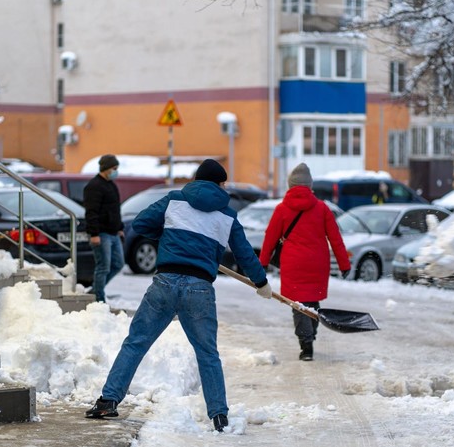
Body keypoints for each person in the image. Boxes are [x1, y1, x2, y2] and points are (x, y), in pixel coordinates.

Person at [85, 159, 272, 432]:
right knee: (207, 353)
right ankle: (219, 417)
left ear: (196, 180)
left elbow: (140, 223)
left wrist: (167, 235)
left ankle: (108, 401)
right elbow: (244, 253)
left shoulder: (174, 199)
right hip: (199, 288)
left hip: (165, 282)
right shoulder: (228, 216)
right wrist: (261, 282)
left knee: (136, 342)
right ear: (220, 184)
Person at [259, 163, 351, 361]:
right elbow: (335, 238)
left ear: (290, 185)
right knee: (312, 301)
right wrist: (344, 265)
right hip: (318, 264)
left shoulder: (282, 209)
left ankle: (306, 344)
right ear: (310, 186)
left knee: (298, 304)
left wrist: (263, 263)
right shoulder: (322, 208)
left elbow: (270, 239)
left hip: (293, 265)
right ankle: (311, 333)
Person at [83, 154, 125, 302]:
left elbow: (115, 209)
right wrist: (94, 233)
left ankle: (95, 290)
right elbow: (91, 212)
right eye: (114, 168)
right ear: (106, 168)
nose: (116, 171)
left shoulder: (111, 185)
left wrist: (119, 227)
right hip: (101, 234)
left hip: (113, 232)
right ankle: (98, 299)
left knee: (118, 264)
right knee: (103, 267)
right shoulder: (94, 186)